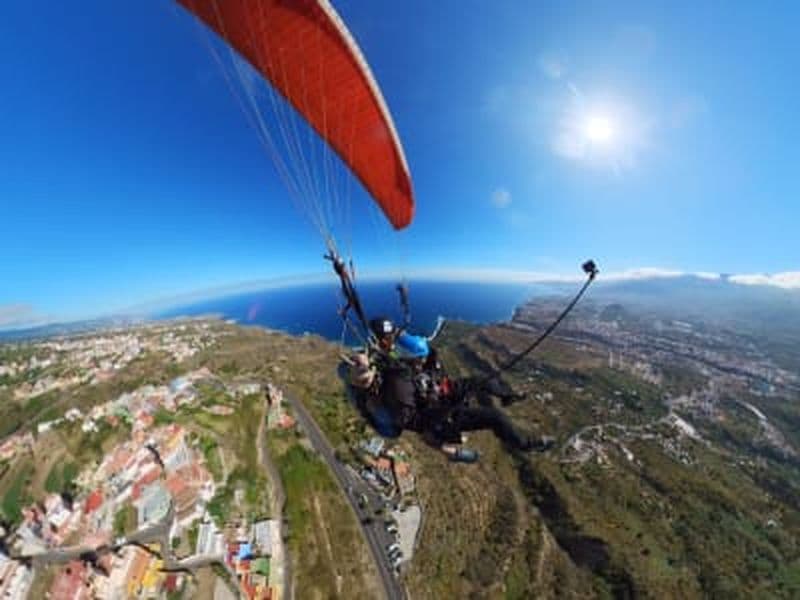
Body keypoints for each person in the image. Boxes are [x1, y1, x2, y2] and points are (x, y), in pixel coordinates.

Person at [348, 317, 554, 460]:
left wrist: (455, 387)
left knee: (482, 381)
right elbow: (412, 421)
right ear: (407, 360)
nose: (422, 362)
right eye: (419, 360)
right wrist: (447, 408)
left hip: (442, 392)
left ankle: (507, 396)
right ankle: (526, 445)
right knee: (495, 418)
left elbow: (429, 370)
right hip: (441, 417)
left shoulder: (416, 362)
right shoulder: (398, 383)